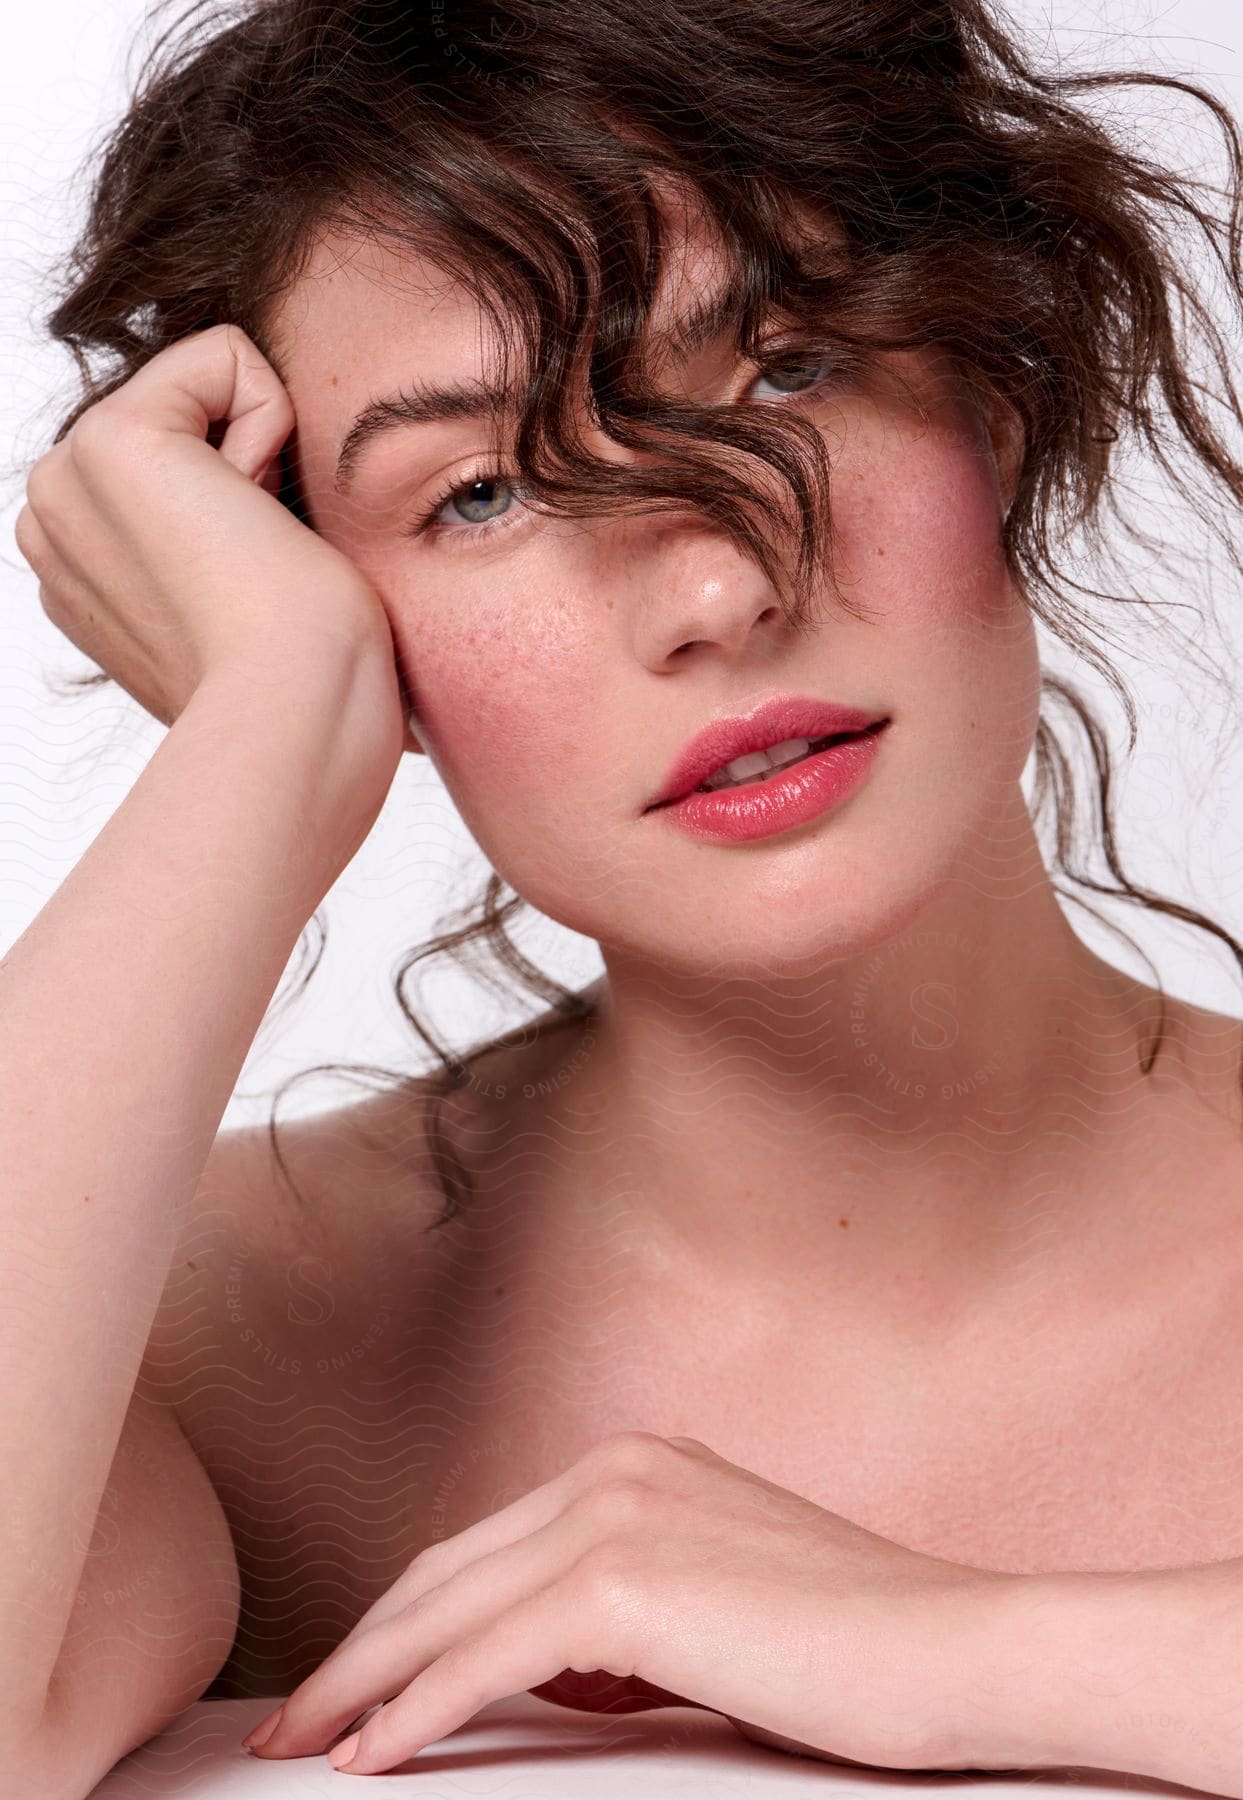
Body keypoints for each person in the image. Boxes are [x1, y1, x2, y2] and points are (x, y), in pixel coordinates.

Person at [7, 0, 1243, 1792]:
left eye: (788, 370)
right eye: (482, 493)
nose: (711, 595)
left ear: (996, 386)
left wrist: (965, 1649)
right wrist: (261, 733)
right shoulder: (178, 1318)